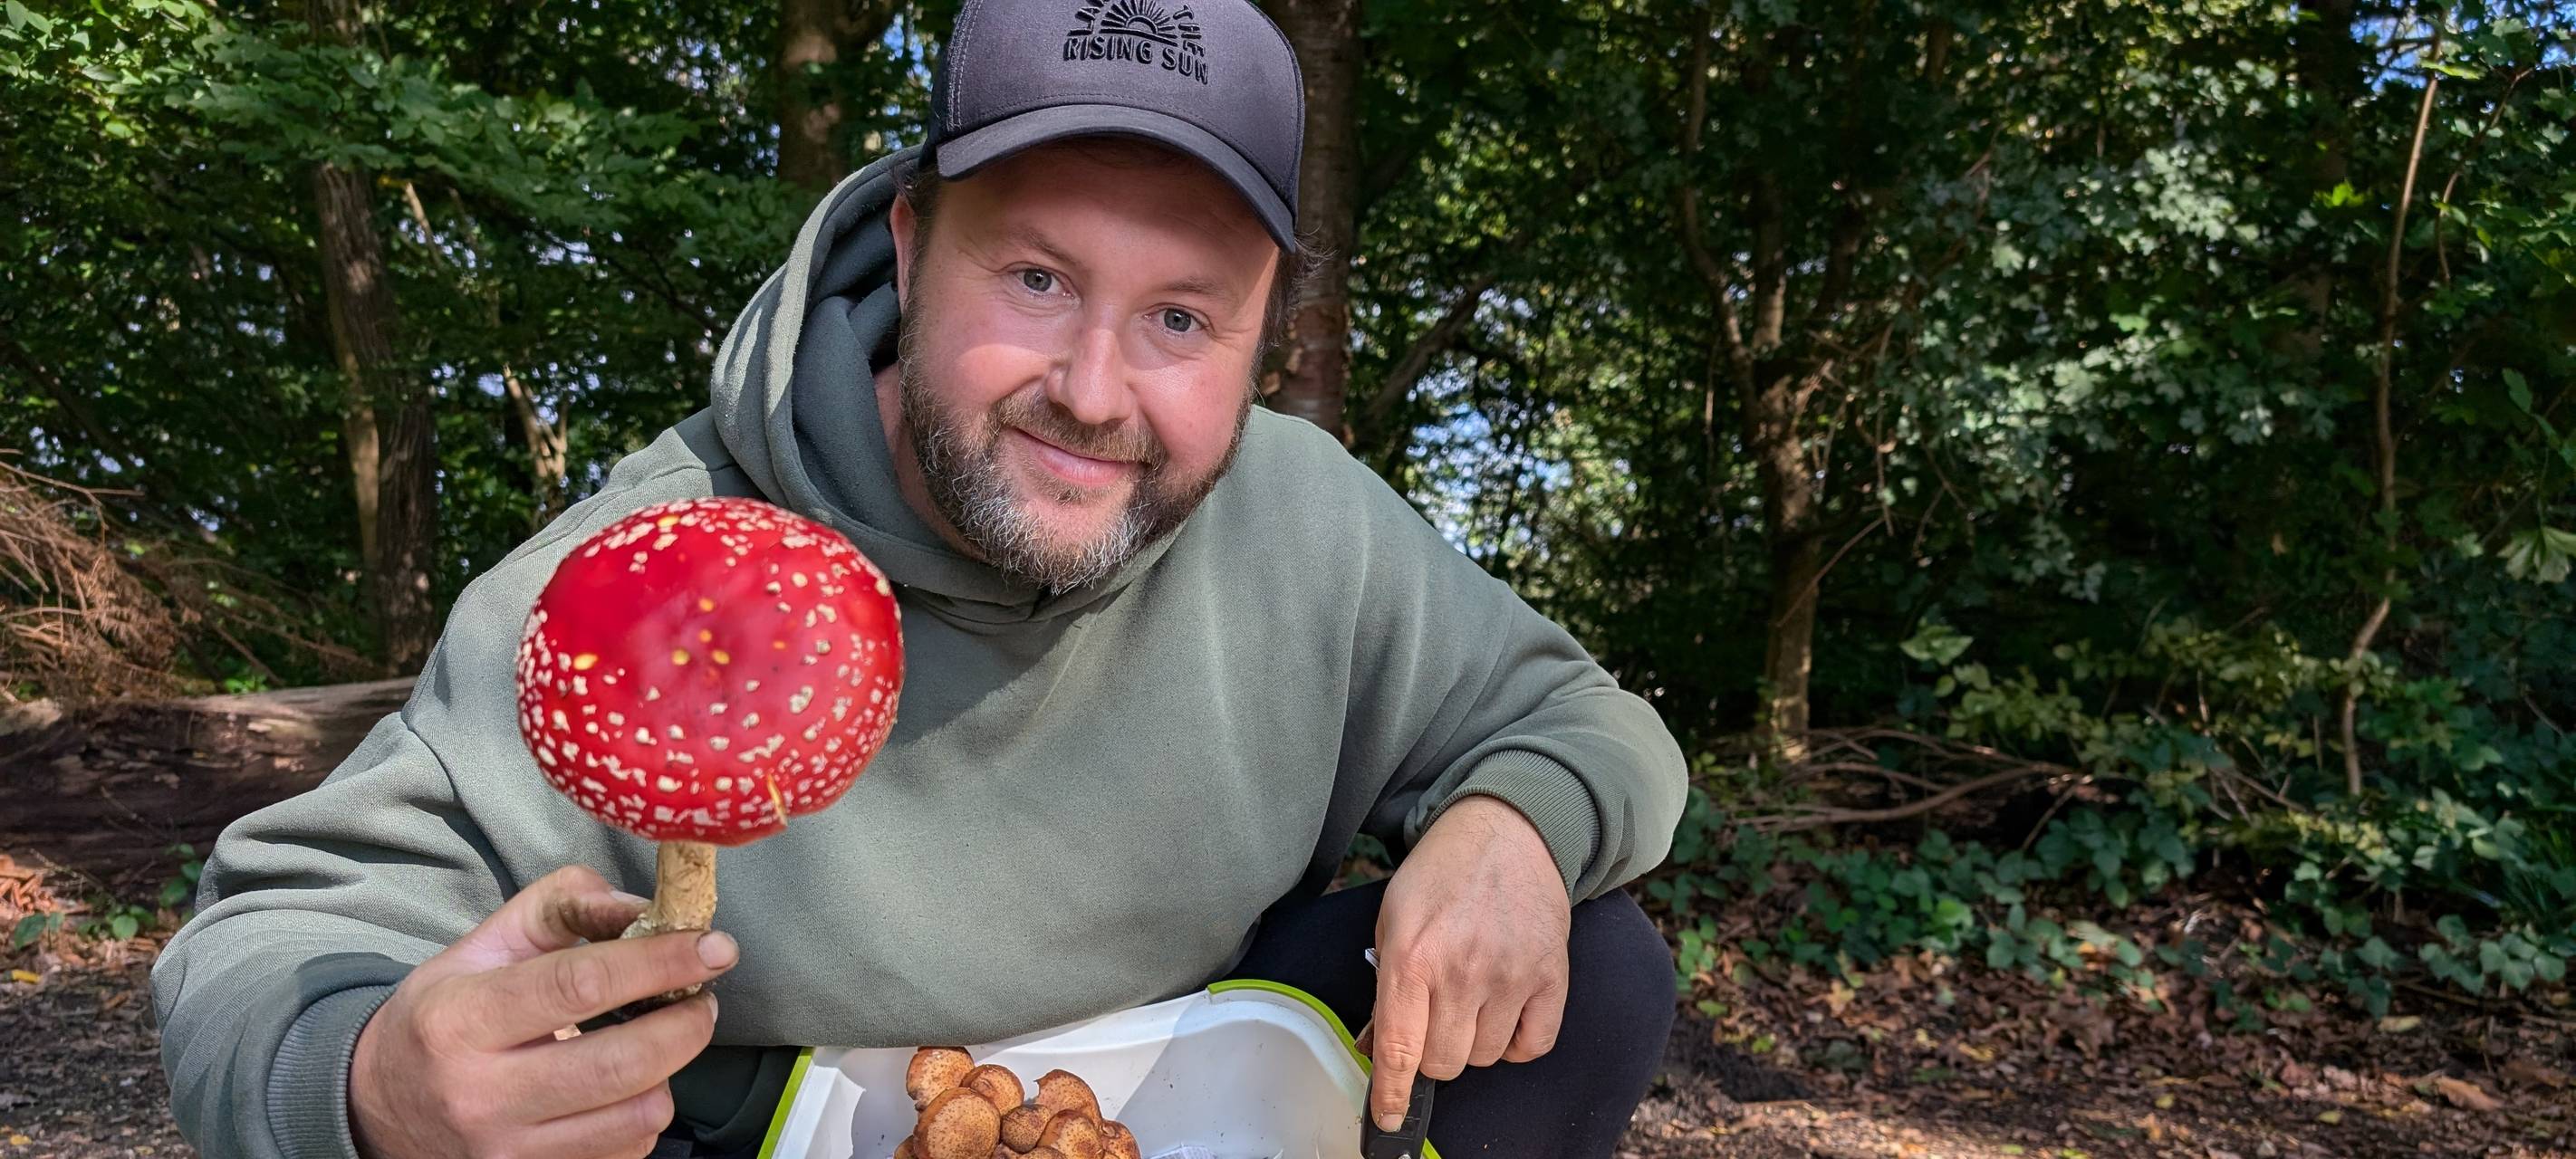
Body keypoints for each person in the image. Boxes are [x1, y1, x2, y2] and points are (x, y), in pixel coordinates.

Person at [149, 0, 1688, 1155]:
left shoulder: (1301, 518)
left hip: (1168, 1100)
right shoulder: (653, 577)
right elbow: (271, 935)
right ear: (909, 237)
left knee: (1593, 969)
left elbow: (1584, 719)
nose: (1095, 390)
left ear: (1261, 331)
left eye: (1180, 320)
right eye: (1037, 279)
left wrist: (1515, 821)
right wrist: (369, 1082)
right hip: (757, 1133)